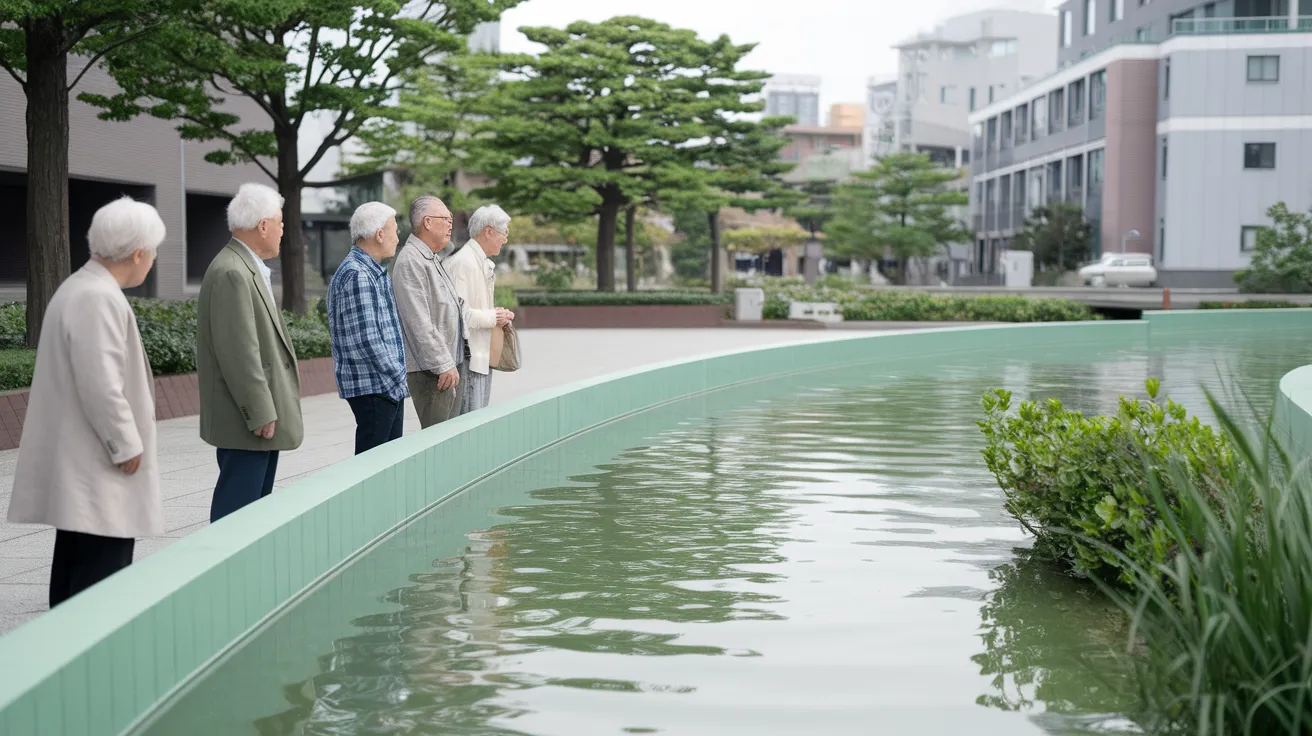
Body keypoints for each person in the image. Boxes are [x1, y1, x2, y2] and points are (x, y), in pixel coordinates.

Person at [8, 197, 166, 607]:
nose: (151, 260)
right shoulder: (97, 296)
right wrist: (125, 443)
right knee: (99, 581)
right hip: (97, 462)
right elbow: (101, 380)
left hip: (82, 459)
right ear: (138, 253)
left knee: (76, 565)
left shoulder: (81, 287)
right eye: (152, 252)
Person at [198, 182, 304, 524]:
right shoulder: (232, 271)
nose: (282, 230)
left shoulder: (244, 266)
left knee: (253, 511)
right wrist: (259, 411)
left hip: (255, 419)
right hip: (248, 420)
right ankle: (224, 576)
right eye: (280, 222)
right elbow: (239, 352)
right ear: (263, 225)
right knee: (238, 513)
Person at [327, 201, 408, 454]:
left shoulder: (370, 270)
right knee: (372, 469)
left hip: (384, 385)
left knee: (386, 467)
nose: (398, 236)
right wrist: (399, 375)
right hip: (375, 386)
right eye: (394, 230)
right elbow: (368, 341)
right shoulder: (358, 274)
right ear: (379, 234)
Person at [392, 195, 467, 428]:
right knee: (438, 443)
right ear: (426, 222)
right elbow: (418, 321)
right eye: (445, 218)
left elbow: (451, 304)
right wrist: (442, 363)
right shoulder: (411, 261)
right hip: (432, 370)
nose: (450, 224)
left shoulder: (431, 257)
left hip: (447, 366)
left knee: (450, 440)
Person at [446, 204, 515, 413]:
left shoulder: (479, 261)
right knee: (469, 425)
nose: (506, 239)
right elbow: (459, 315)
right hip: (469, 360)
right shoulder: (463, 263)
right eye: (504, 233)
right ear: (488, 231)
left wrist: (498, 316)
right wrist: (494, 316)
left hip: (480, 357)